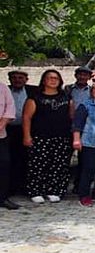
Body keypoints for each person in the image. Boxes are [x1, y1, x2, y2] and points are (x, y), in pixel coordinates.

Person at [22, 70, 72, 204]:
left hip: (61, 137)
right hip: (40, 137)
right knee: (38, 165)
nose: (53, 80)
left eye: (56, 78)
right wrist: (27, 136)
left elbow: (71, 117)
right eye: (49, 78)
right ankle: (35, 191)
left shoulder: (66, 97)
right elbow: (27, 118)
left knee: (59, 165)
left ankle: (54, 190)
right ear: (43, 80)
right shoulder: (34, 98)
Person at [7, 69, 37, 195]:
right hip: (8, 129)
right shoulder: (5, 91)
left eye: (20, 77)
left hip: (28, 129)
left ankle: (26, 186)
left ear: (26, 79)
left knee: (28, 158)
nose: (17, 80)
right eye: (14, 78)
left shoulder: (34, 91)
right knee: (9, 158)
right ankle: (10, 187)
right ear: (10, 80)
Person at [0, 81, 18, 209]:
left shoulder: (3, 88)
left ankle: (2, 198)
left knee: (4, 165)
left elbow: (10, 108)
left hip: (1, 134)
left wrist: (1, 125)